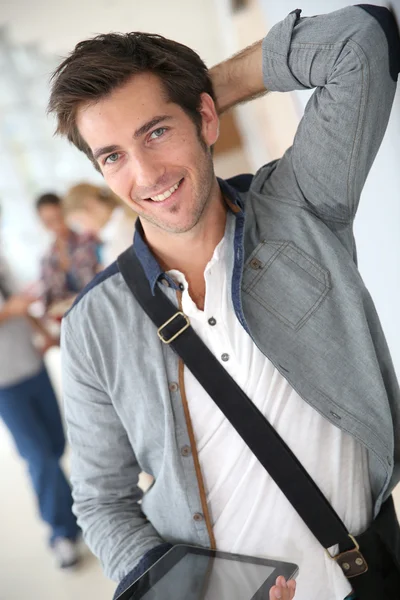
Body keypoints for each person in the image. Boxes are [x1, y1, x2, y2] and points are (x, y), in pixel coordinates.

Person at [48, 5, 400, 600]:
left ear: (206, 117)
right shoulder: (93, 326)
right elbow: (102, 500)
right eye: (113, 156)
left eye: (157, 131)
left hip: (371, 574)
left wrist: (203, 88)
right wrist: (194, 590)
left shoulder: (300, 211)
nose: (146, 173)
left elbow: (359, 41)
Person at [0, 257, 81, 568]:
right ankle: (61, 531)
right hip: (5, 383)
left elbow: (19, 305)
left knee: (56, 445)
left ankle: (71, 514)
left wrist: (42, 330)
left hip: (33, 367)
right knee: (39, 456)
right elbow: (13, 308)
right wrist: (11, 311)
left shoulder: (5, 265)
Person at [36, 193, 99, 312]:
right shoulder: (47, 259)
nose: (56, 225)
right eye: (49, 221)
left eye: (58, 217)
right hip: (71, 317)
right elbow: (48, 300)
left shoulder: (89, 242)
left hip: (96, 307)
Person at [63, 183, 137, 267]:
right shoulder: (114, 231)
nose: (84, 230)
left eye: (79, 222)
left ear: (91, 205)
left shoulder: (124, 231)